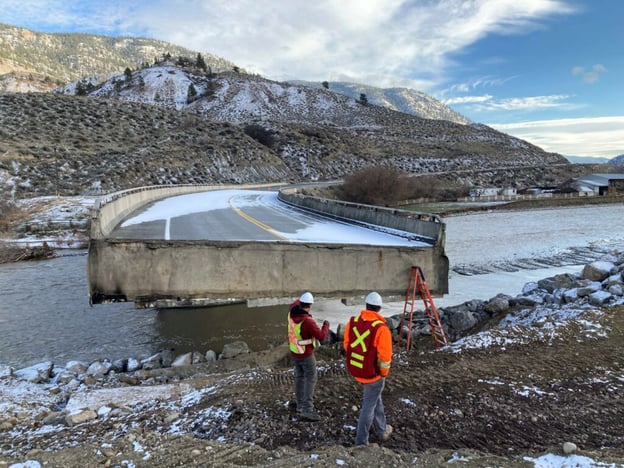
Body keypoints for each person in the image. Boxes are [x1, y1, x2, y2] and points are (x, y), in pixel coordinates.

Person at [343, 291, 393, 446]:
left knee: (374, 398)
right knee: (368, 407)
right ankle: (361, 443)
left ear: (366, 306)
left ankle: (382, 429)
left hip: (358, 369)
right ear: (379, 308)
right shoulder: (381, 329)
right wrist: (382, 374)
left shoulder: (353, 322)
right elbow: (385, 357)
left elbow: (347, 345)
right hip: (373, 374)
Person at [287, 291, 330, 422]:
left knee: (300, 377)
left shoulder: (291, 314)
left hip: (294, 351)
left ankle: (300, 405)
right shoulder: (307, 322)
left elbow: (293, 304)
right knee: (311, 378)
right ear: (310, 306)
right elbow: (322, 336)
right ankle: (307, 409)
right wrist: (326, 326)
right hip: (306, 354)